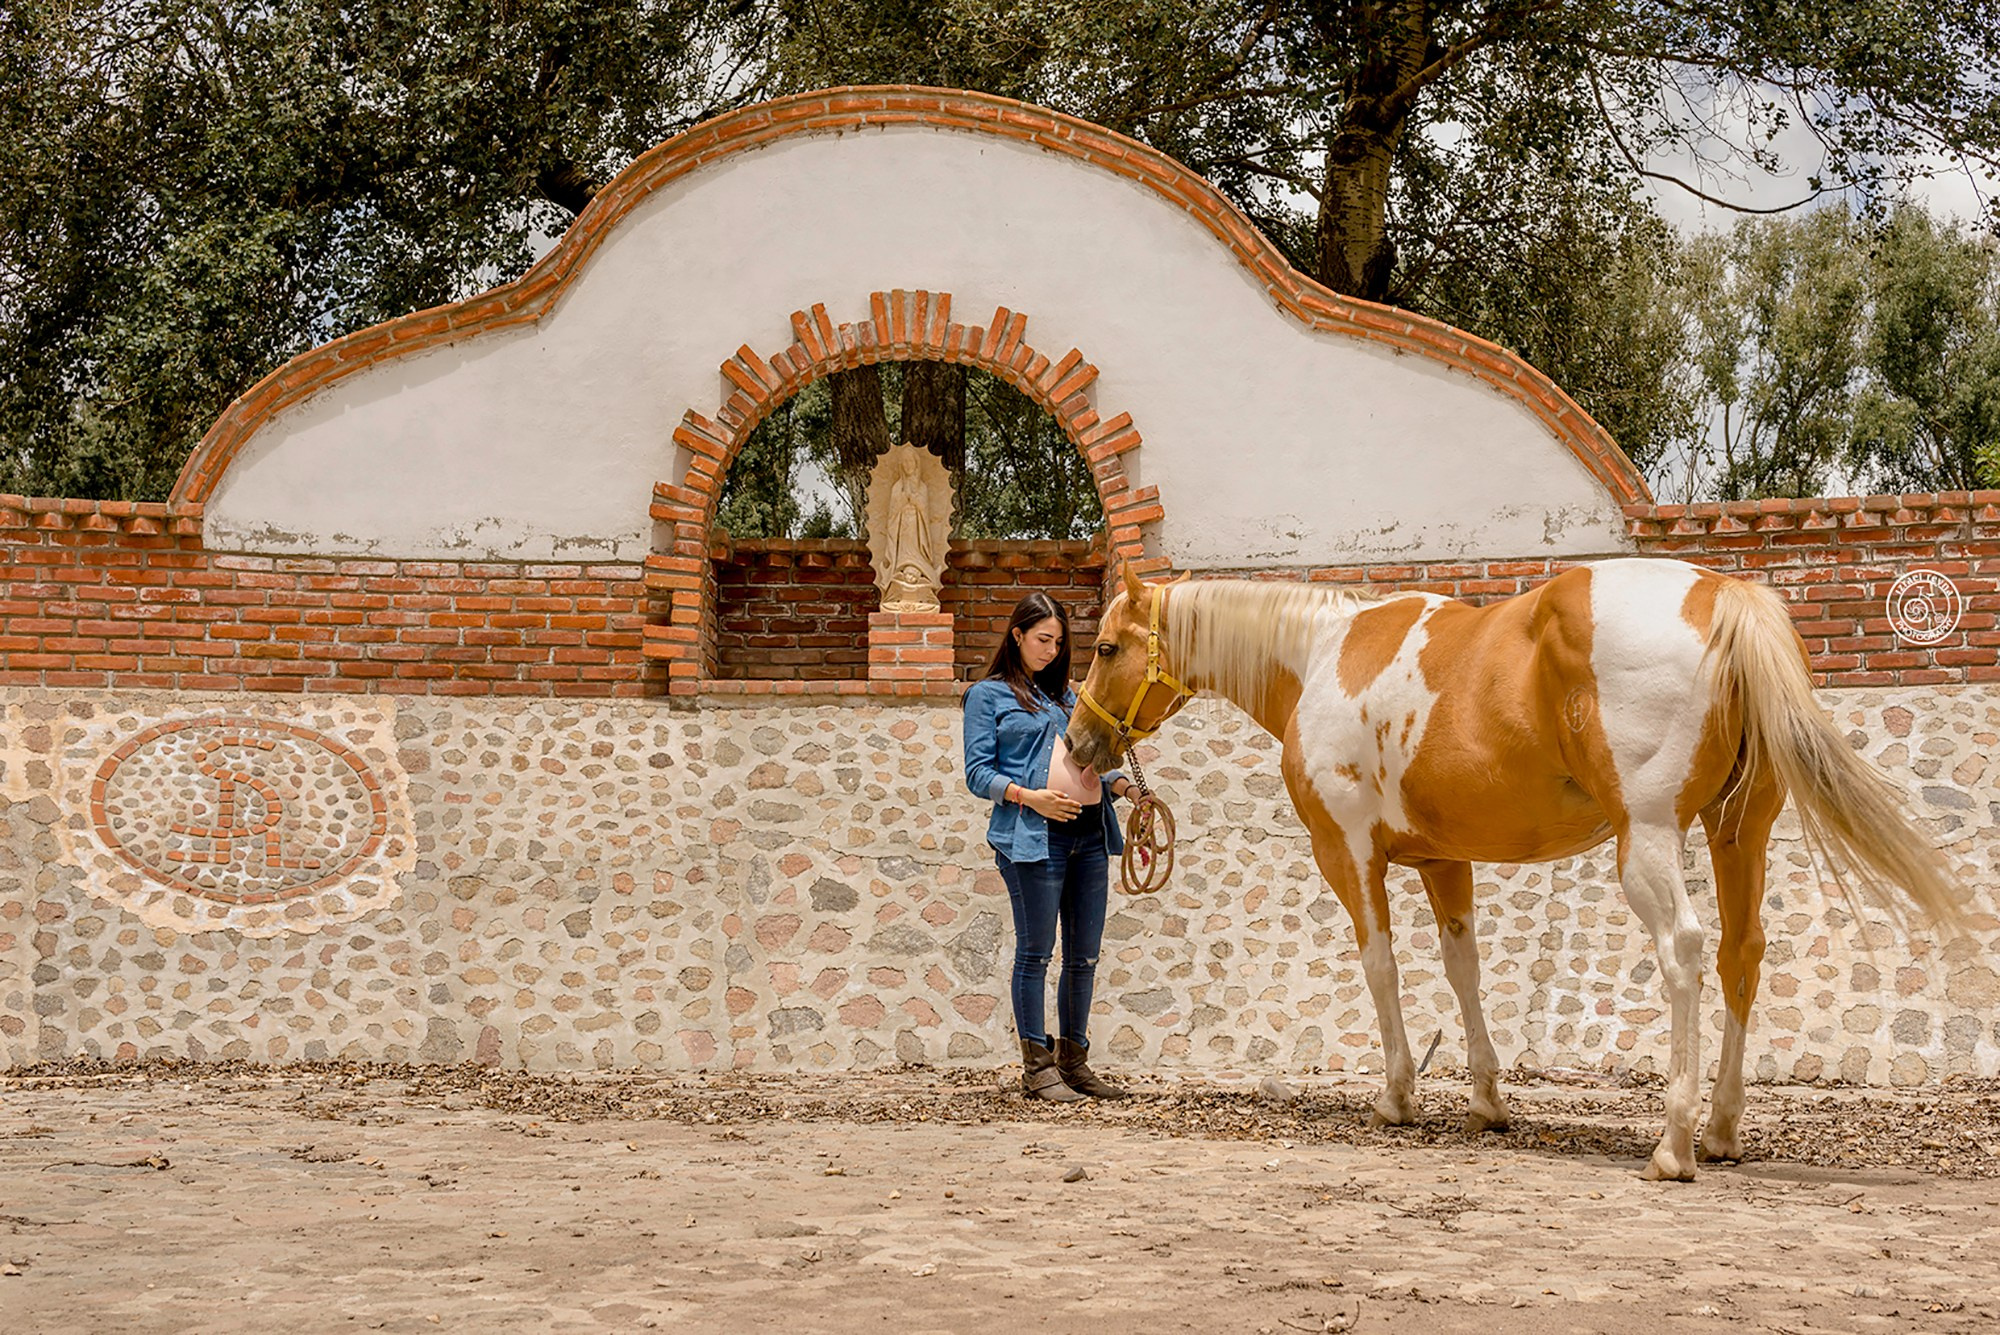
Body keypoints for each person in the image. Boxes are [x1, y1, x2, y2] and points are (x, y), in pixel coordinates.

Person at [962, 591, 1141, 1101]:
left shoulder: (1071, 699)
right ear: (1016, 635)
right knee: (1036, 952)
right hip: (1031, 839)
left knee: (1083, 957)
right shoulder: (988, 696)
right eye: (1043, 639)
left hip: (1089, 833)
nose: (1051, 649)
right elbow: (978, 773)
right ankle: (1037, 1067)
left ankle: (1075, 1061)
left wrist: (1127, 788)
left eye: (1059, 641)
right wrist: (1029, 798)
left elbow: (1092, 767)